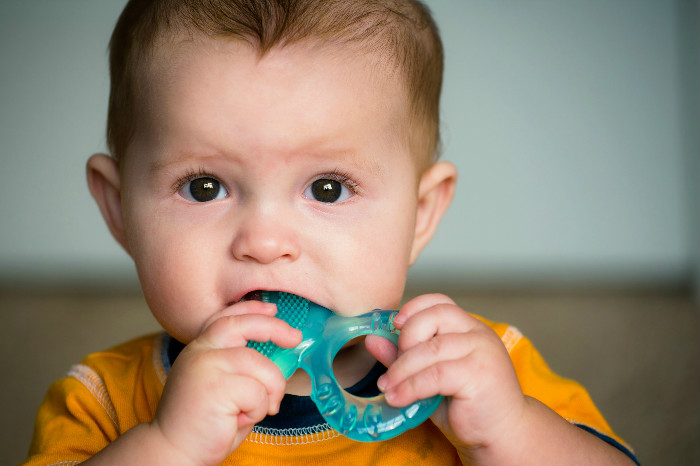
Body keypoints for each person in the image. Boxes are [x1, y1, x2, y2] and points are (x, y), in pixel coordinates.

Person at [23, 1, 638, 465]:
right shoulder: (102, 402)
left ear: (420, 215)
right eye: (205, 187)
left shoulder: (477, 372)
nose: (265, 243)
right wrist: (167, 446)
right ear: (120, 209)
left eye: (327, 189)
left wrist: (511, 431)